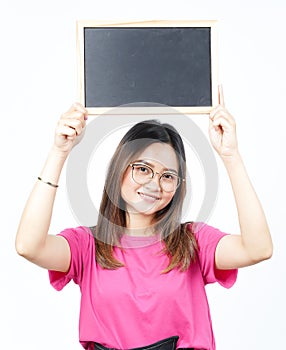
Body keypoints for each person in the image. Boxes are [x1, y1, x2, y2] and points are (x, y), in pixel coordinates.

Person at [16, 87, 273, 350]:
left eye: (168, 176)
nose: (154, 184)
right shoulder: (87, 245)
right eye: (142, 169)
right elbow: (28, 246)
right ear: (120, 169)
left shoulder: (193, 241)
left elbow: (258, 248)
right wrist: (59, 153)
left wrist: (231, 157)